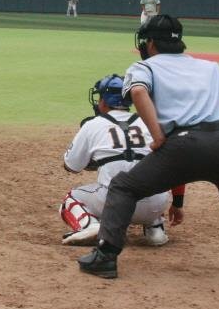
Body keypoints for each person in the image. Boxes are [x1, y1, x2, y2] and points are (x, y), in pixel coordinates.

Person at [77, 15, 219, 280]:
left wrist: (157, 136)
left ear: (150, 43)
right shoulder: (209, 67)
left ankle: (105, 257)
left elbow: (139, 93)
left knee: (124, 187)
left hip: (183, 145)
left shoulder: (145, 67)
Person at [60, 74, 184, 247]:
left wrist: (97, 159)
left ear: (103, 101)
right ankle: (155, 229)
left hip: (115, 203)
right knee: (151, 177)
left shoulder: (93, 124)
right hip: (157, 203)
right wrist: (178, 204)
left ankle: (90, 225)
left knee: (70, 200)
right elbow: (176, 168)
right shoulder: (151, 122)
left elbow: (71, 166)